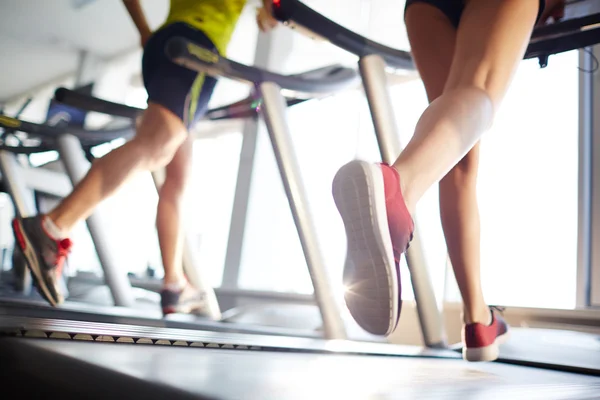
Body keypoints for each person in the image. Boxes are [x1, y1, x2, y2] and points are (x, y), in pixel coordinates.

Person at [331, 0, 565, 362]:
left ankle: (478, 321)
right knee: (478, 91)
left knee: (456, 157)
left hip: (424, 6)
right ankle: (397, 189)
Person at [12, 0, 277, 316]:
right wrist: (269, 13)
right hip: (198, 50)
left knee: (177, 175)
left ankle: (174, 284)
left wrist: (144, 32)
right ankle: (53, 227)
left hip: (162, 46)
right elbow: (275, 14)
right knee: (155, 146)